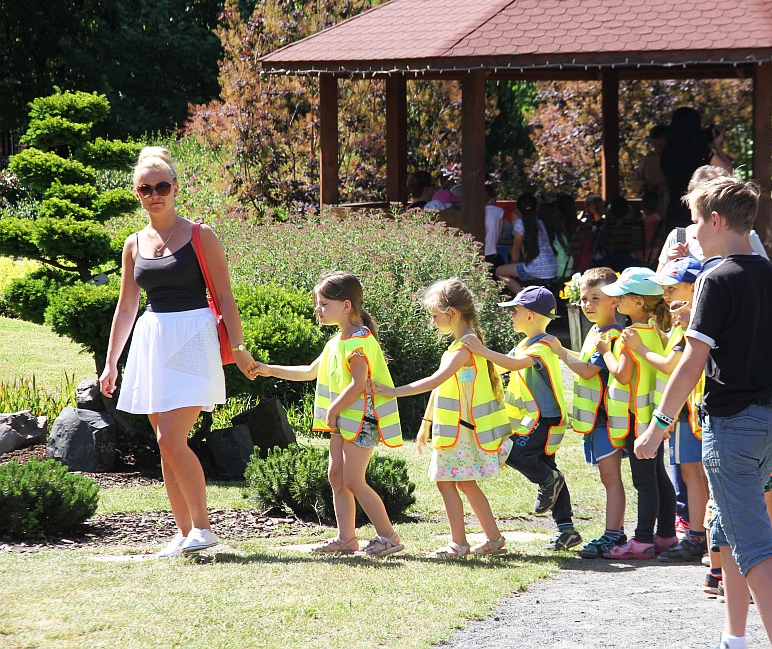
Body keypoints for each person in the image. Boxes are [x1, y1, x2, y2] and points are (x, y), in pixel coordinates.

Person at [636, 177, 772, 649]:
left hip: (735, 424)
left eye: (692, 221)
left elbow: (691, 362)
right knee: (725, 526)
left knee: (754, 545)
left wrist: (657, 427)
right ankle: (734, 638)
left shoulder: (714, 276)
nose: (688, 233)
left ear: (715, 221)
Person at [100, 146, 257, 557]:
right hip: (152, 338)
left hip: (194, 337)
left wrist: (238, 347)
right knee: (163, 439)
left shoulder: (201, 235)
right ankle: (184, 532)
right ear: (137, 193)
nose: (155, 193)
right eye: (146, 188)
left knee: (172, 437)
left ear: (175, 188)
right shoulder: (133, 244)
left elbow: (224, 296)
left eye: (162, 185)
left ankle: (203, 528)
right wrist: (112, 361)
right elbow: (127, 306)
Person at [253, 272, 404, 556]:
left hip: (361, 421)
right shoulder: (337, 341)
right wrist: (269, 368)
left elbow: (359, 384)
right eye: (318, 304)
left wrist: (333, 410)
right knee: (337, 476)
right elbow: (311, 371)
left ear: (346, 306)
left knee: (353, 480)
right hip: (343, 423)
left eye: (324, 304)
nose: (317, 310)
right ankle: (346, 540)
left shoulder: (358, 342)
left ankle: (389, 537)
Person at [372, 278, 511, 558]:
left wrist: (392, 391)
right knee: (464, 483)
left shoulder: (462, 350)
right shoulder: (464, 345)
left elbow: (434, 380)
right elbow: (442, 387)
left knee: (448, 482)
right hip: (461, 431)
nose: (432, 321)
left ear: (452, 314)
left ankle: (459, 544)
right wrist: (426, 423)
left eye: (435, 316)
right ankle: (493, 539)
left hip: (458, 433)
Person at [461, 286, 580, 550]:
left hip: (544, 418)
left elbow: (515, 365)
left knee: (514, 454)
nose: (511, 316)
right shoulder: (525, 344)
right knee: (548, 470)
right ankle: (566, 530)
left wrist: (481, 350)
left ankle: (549, 483)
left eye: (514, 311)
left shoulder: (542, 346)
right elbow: (504, 364)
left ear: (530, 315)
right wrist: (476, 361)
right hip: (534, 419)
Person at [623, 257, 709, 566]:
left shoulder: (694, 322)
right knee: (690, 473)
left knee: (694, 473)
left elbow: (673, 366)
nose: (668, 296)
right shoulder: (680, 322)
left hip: (691, 409)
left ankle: (699, 537)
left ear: (695, 287)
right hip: (684, 409)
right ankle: (698, 535)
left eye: (673, 289)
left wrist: (641, 349)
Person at [544, 267, 628, 558]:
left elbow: (587, 369)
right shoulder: (595, 331)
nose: (588, 305)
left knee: (611, 477)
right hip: (596, 422)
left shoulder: (612, 335)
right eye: (583, 299)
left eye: (596, 298)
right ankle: (615, 532)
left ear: (614, 301)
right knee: (607, 477)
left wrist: (558, 348)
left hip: (608, 421)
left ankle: (613, 535)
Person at [601, 267, 677, 559]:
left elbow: (622, 375)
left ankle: (643, 540)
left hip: (637, 420)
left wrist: (604, 350)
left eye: (621, 297)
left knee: (644, 481)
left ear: (639, 302)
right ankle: (667, 536)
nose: (616, 302)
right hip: (653, 417)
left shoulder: (628, 336)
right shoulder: (656, 331)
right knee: (658, 476)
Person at [656, 165, 767, 272]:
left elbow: (763, 273)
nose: (695, 235)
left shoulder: (746, 237)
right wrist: (671, 265)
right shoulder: (679, 236)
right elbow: (659, 287)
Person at [661, 107, 732, 230]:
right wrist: (717, 145)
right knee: (698, 248)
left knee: (680, 246)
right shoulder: (702, 154)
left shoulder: (666, 155)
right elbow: (728, 171)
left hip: (675, 213)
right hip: (699, 215)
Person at [496, 193, 560, 293]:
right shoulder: (540, 222)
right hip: (551, 268)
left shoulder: (520, 224)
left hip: (533, 269)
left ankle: (523, 298)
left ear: (517, 209)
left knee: (499, 272)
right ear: (536, 208)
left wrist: (513, 265)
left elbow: (515, 253)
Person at [630, 124, 669, 215]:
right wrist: (643, 185)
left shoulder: (679, 159)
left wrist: (666, 188)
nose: (656, 149)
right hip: (651, 208)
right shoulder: (649, 159)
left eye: (660, 145)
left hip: (670, 206)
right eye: (654, 145)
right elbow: (635, 181)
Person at [483, 184, 507, 268]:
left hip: (479, 249)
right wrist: (497, 239)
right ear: (493, 198)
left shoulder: (479, 210)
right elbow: (501, 229)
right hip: (492, 249)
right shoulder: (499, 211)